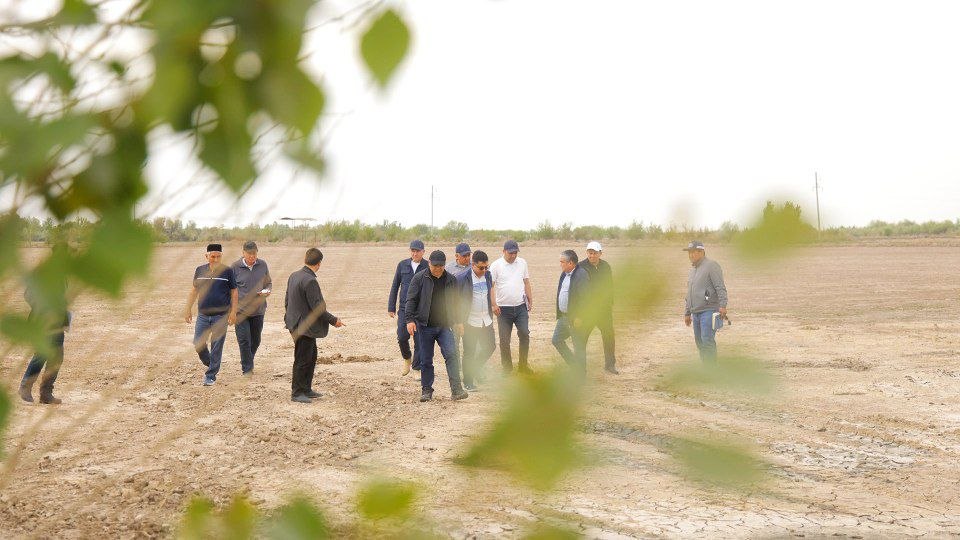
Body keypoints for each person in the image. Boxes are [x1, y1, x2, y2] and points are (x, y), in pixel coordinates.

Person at [405, 250, 468, 402]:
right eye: (435, 266)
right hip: (425, 326)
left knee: (452, 355)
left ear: (445, 265)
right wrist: (409, 320)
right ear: (429, 263)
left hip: (445, 326)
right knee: (426, 359)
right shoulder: (419, 278)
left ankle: (456, 390)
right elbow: (411, 300)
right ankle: (426, 391)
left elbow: (456, 303)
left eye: (441, 266)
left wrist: (459, 321)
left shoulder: (451, 280)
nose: (438, 268)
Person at [284, 248, 344, 403]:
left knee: (311, 356)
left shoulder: (294, 275)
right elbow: (317, 308)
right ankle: (297, 393)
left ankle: (306, 389)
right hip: (304, 327)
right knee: (303, 359)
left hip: (295, 323)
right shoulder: (310, 280)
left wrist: (290, 318)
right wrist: (334, 320)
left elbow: (287, 300)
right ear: (319, 264)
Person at [185, 244, 238, 386]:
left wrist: (233, 312)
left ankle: (211, 375)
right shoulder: (199, 270)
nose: (215, 259)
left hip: (221, 316)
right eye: (213, 256)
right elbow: (194, 291)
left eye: (218, 256)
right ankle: (211, 363)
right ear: (206, 256)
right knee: (198, 343)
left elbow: (234, 292)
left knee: (216, 345)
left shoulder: (228, 271)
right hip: (203, 315)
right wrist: (188, 308)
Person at [18, 280, 71, 404]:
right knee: (42, 354)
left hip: (57, 322)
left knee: (57, 357)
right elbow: (29, 294)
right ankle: (25, 387)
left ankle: (46, 393)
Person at [489, 240, 533, 374]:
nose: (513, 255)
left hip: (521, 307)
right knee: (504, 340)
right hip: (503, 309)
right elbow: (491, 286)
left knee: (524, 334)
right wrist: (494, 304)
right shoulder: (496, 265)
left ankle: (523, 366)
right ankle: (507, 369)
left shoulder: (522, 263)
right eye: (510, 253)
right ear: (504, 251)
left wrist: (530, 298)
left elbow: (526, 281)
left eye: (515, 253)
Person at [455, 250, 495, 391]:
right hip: (470, 321)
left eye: (486, 267)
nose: (484, 270)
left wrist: (494, 305)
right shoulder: (462, 278)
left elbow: (490, 292)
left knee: (490, 346)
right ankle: (468, 381)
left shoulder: (488, 275)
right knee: (469, 352)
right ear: (473, 265)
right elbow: (456, 301)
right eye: (481, 268)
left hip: (486, 319)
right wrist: (459, 321)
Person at [230, 241, 272, 375]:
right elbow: (229, 289)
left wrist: (267, 290)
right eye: (249, 254)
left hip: (258, 310)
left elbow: (268, 283)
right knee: (244, 340)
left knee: (256, 341)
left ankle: (248, 360)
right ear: (243, 253)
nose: (252, 256)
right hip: (240, 311)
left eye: (254, 253)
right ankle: (247, 370)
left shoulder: (263, 265)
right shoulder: (234, 267)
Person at [683, 240, 729, 363]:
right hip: (695, 312)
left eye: (693, 252)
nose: (691, 255)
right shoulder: (692, 270)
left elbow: (720, 287)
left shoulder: (711, 266)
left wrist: (723, 305)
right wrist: (687, 312)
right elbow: (690, 293)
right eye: (689, 252)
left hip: (708, 310)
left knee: (707, 340)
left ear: (701, 252)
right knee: (699, 342)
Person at [388, 240, 429, 376]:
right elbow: (395, 286)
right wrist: (391, 306)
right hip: (404, 308)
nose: (415, 253)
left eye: (417, 251)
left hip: (421, 310)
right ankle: (407, 359)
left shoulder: (428, 266)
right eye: (413, 251)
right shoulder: (402, 265)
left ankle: (417, 368)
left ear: (423, 252)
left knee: (419, 340)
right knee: (402, 336)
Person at [578, 241, 619, 374]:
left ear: (600, 253)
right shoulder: (580, 267)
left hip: (604, 310)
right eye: (590, 253)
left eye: (595, 253)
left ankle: (610, 365)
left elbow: (610, 286)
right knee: (582, 338)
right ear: (587, 253)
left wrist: (609, 303)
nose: (592, 255)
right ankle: (580, 367)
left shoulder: (606, 266)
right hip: (588, 311)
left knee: (609, 336)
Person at [552, 250, 591, 375]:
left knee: (578, 347)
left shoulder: (581, 275)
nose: (560, 264)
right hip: (564, 317)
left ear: (571, 263)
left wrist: (580, 317)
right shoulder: (565, 274)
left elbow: (585, 298)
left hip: (575, 318)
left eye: (562, 262)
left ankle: (581, 375)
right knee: (556, 340)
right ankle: (575, 366)